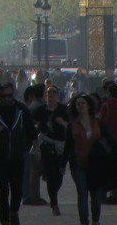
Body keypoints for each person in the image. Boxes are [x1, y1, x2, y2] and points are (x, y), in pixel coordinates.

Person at [0, 81, 37, 225]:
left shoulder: (21, 110)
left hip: (18, 155)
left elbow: (31, 130)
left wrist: (36, 147)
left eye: (9, 95)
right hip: (0, 157)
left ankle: (14, 211)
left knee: (17, 189)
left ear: (13, 94)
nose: (6, 98)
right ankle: (5, 220)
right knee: (3, 191)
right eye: (3, 96)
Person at [63, 94, 114, 225]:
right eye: (78, 104)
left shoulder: (98, 123)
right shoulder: (72, 126)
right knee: (82, 194)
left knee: (96, 196)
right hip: (78, 164)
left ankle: (95, 221)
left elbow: (110, 141)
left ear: (89, 105)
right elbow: (68, 146)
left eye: (82, 103)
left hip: (96, 165)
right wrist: (62, 165)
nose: (80, 106)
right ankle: (84, 222)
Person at [32, 84, 70, 216]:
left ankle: (53, 194)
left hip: (60, 144)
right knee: (51, 172)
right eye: (49, 92)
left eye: (54, 92)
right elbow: (32, 125)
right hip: (46, 143)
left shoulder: (64, 110)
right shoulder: (41, 110)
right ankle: (54, 203)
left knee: (58, 175)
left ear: (57, 94)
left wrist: (63, 123)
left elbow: (71, 127)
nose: (51, 94)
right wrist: (36, 145)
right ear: (45, 95)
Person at [97, 82, 117, 204]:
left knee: (106, 168)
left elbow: (100, 122)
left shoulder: (106, 106)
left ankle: (105, 194)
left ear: (109, 93)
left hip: (108, 141)